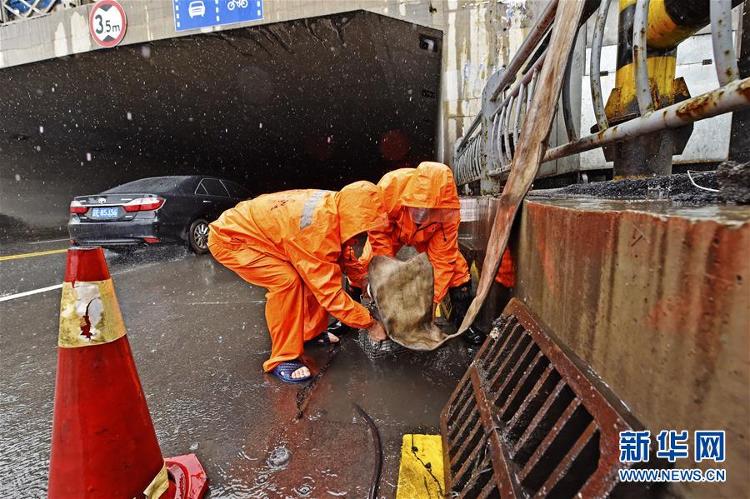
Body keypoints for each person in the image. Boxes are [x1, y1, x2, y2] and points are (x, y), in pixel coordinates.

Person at [207, 181, 388, 383]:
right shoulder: (318, 230)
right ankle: (282, 359)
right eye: (363, 228)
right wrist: (370, 324)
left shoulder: (337, 208)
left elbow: (340, 255)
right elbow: (330, 296)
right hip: (231, 239)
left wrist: (361, 280)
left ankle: (310, 334)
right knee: (287, 282)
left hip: (256, 233)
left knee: (313, 276)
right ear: (353, 217)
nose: (362, 235)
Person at [346, 161, 484, 344]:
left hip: (428, 235)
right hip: (392, 231)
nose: (422, 214)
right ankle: (350, 319)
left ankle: (463, 323)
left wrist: (430, 306)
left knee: (457, 270)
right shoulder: (390, 186)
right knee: (365, 265)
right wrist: (386, 273)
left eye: (430, 210)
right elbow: (378, 231)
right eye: (418, 207)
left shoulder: (449, 213)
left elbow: (443, 260)